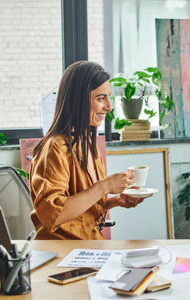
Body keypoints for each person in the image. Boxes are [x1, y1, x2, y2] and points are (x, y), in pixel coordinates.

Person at [29, 61, 146, 240]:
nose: (109, 106)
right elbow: (54, 214)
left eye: (108, 97)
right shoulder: (55, 148)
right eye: (101, 98)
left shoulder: (86, 143)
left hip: (88, 244)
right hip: (64, 251)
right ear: (79, 101)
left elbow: (80, 205)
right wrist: (105, 186)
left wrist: (114, 201)